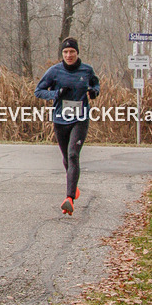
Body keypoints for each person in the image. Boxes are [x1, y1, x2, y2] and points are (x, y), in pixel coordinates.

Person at [35, 38, 100, 215]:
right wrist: (56, 94)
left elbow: (95, 83)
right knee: (66, 157)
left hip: (80, 118)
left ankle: (69, 198)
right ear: (62, 54)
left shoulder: (86, 70)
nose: (69, 55)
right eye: (65, 52)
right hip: (60, 120)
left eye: (72, 52)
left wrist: (94, 91)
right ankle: (74, 188)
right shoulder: (54, 71)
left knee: (73, 155)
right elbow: (38, 90)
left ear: (77, 53)